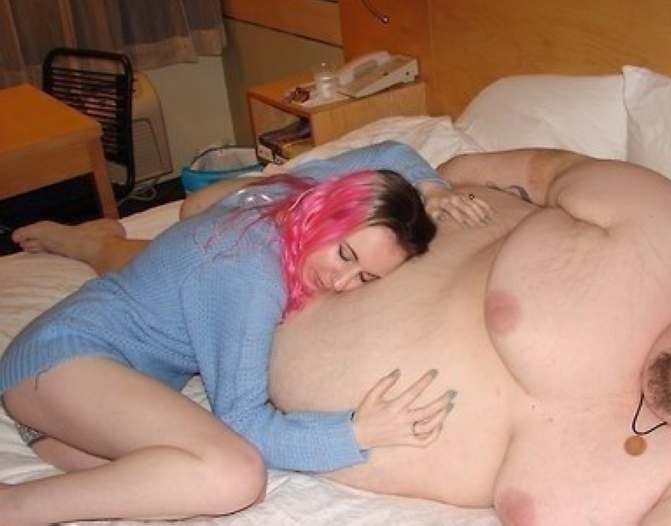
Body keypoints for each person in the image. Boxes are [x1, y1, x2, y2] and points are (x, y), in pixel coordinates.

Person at [7, 146, 671, 524]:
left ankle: (101, 263)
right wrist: (440, 181)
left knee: (193, 274)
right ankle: (96, 245)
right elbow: (548, 169)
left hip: (238, 337)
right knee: (208, 232)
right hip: (293, 269)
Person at [259, 148, 671, 524]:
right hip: (275, 256)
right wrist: (438, 186)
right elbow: (539, 171)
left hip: (255, 419)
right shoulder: (670, 236)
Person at [0, 140, 491, 525]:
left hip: (82, 381)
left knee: (177, 485)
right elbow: (243, 421)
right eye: (345, 254)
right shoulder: (249, 270)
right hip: (60, 358)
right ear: (331, 210)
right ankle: (14, 507)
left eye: (365, 278)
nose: (341, 282)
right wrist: (353, 432)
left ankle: (48, 432)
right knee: (235, 476)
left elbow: (390, 152)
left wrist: (431, 189)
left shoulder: (295, 195)